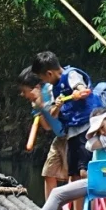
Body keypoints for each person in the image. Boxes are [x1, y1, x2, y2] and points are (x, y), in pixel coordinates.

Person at [10, 109, 106, 210]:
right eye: (99, 130)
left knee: (56, 193)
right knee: (60, 199)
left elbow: (89, 144)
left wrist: (92, 134)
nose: (101, 132)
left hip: (101, 184)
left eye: (102, 127)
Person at [33, 51, 94, 179]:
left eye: (43, 78)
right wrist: (58, 106)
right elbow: (54, 114)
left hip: (85, 128)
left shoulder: (71, 75)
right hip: (71, 132)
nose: (45, 82)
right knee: (73, 174)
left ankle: (95, 197)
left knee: (84, 172)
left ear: (49, 73)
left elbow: (84, 91)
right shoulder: (54, 88)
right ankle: (75, 199)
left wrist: (77, 93)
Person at [17, 66, 68, 202]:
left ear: (36, 87)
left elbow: (62, 113)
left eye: (24, 91)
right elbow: (47, 127)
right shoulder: (35, 102)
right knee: (48, 173)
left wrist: (43, 105)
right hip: (59, 138)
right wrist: (40, 110)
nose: (23, 95)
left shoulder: (51, 91)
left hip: (71, 135)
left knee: (73, 175)